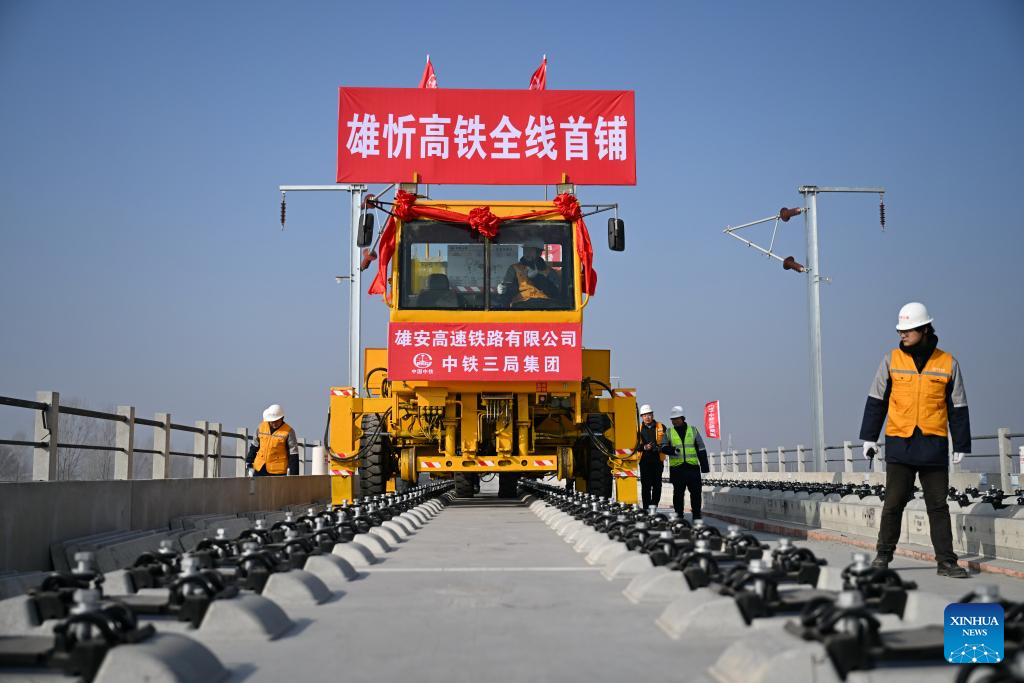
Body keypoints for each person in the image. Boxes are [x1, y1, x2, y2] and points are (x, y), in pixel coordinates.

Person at [859, 302, 970, 578]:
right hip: (900, 443)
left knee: (938, 506)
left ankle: (946, 562)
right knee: (893, 503)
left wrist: (962, 443)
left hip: (933, 445)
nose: (902, 335)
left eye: (907, 330)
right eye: (900, 330)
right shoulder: (891, 360)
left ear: (923, 329)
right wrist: (869, 437)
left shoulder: (947, 363)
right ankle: (882, 557)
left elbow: (958, 406)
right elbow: (876, 401)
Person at [659, 405, 710, 519]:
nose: (674, 421)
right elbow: (663, 447)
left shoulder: (693, 430)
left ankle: (696, 516)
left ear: (683, 418)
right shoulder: (669, 432)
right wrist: (672, 450)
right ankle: (679, 516)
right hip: (677, 469)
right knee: (678, 494)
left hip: (692, 468)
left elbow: (701, 448)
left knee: (696, 493)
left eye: (676, 419)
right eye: (672, 419)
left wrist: (704, 466)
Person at [496, 236, 559, 307]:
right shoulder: (514, 268)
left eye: (531, 250)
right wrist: (503, 290)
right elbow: (508, 292)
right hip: (520, 306)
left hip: (545, 307)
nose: (527, 253)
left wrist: (537, 278)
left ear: (539, 253)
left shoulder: (550, 272)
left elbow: (555, 294)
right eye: (525, 250)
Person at [246, 404, 299, 477]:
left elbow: (293, 454)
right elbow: (254, 446)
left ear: (282, 418)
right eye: (271, 421)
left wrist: (294, 474)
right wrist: (248, 462)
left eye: (276, 421)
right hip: (259, 469)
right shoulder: (261, 427)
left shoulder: (289, 431)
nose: (274, 423)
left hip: (278, 472)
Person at [637, 404, 666, 510]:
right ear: (641, 417)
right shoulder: (638, 429)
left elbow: (667, 442)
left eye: (649, 414)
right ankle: (646, 508)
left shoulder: (661, 427)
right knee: (646, 486)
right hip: (644, 461)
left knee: (657, 486)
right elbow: (634, 446)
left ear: (652, 415)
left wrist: (659, 448)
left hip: (658, 461)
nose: (647, 417)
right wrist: (644, 447)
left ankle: (654, 506)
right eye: (644, 415)